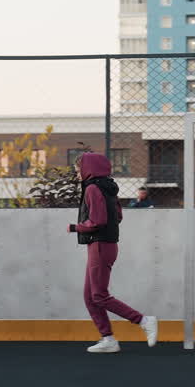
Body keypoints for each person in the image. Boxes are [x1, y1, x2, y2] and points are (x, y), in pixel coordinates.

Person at [67, 152, 158, 354]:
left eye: (78, 170)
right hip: (105, 245)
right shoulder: (109, 188)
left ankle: (143, 320)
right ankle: (108, 339)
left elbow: (97, 221)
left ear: (87, 169)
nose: (77, 174)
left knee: (98, 295)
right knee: (90, 296)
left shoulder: (92, 188)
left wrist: (76, 227)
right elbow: (117, 215)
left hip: (100, 245)